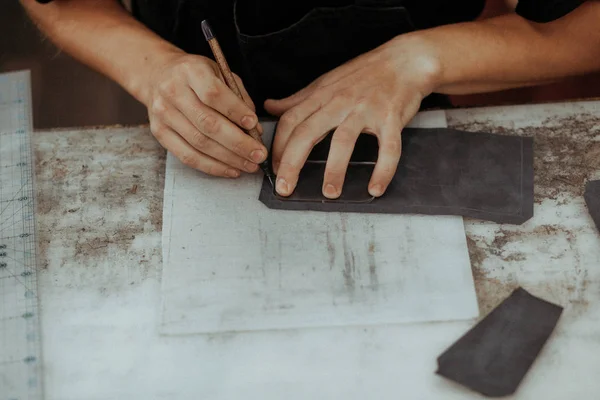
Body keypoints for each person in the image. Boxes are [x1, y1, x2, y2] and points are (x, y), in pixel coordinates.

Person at [22, 0, 599, 199]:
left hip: (426, 118)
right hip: (191, 131)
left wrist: (419, 60)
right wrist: (155, 72)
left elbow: (584, 27)